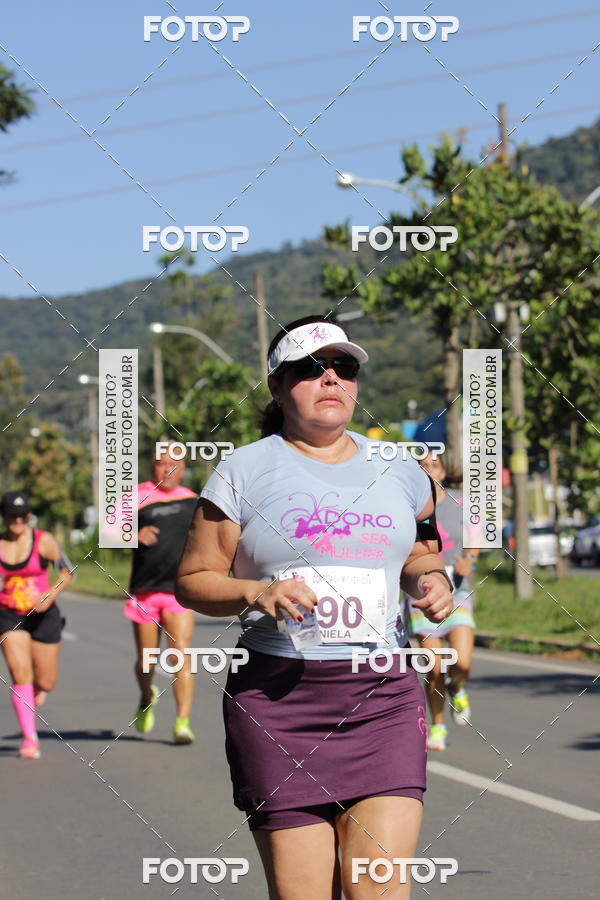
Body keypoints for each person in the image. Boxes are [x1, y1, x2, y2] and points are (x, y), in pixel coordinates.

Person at [176, 315, 453, 900]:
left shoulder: (400, 470)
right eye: (309, 368)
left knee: (377, 888)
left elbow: (420, 555)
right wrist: (256, 591)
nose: (330, 378)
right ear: (278, 386)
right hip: (279, 701)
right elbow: (194, 581)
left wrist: (431, 580)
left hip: (382, 696)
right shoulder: (243, 470)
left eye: (343, 367)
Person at [405, 452, 480, 751]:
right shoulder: (407, 504)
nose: (428, 469)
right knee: (434, 669)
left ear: (446, 469)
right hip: (422, 595)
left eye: (434, 464)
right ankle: (437, 724)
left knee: (462, 662)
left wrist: (470, 559)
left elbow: (476, 534)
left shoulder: (462, 501)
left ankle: (458, 687)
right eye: (422, 465)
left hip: (458, 591)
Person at [124, 447, 198, 744]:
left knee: (181, 655)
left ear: (182, 469)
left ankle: (182, 722)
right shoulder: (135, 497)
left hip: (178, 592)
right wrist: (132, 535)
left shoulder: (191, 499)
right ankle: (146, 696)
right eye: (160, 463)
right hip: (144, 591)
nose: (166, 469)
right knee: (146, 660)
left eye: (173, 464)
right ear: (152, 468)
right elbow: (109, 533)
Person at [0, 491, 74, 759]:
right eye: (12, 516)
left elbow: (68, 572)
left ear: (28, 516)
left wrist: (50, 594)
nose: (18, 521)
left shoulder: (44, 541)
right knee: (20, 673)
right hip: (9, 615)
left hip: (44, 615)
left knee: (46, 680)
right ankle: (30, 739)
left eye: (22, 516)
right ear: (4, 517)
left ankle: (38, 689)